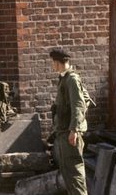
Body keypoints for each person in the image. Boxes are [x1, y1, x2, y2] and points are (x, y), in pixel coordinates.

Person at [50, 48, 88, 195]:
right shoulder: (64, 78)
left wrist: (74, 130)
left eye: (53, 63)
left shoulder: (71, 79)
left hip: (70, 133)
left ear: (58, 63)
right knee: (68, 173)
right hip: (64, 132)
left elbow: (78, 105)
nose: (52, 66)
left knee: (75, 174)